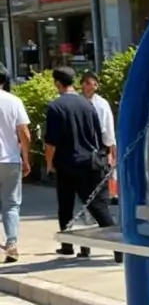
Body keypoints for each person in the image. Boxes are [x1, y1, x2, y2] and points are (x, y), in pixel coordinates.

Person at [43, 66, 121, 263]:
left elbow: (51, 142)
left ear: (58, 84)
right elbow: (98, 135)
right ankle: (118, 248)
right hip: (91, 163)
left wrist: (49, 163)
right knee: (98, 207)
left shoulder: (56, 107)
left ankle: (67, 245)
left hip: (67, 163)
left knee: (66, 206)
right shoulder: (88, 105)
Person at [0, 62, 31, 263]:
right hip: (10, 159)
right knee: (11, 203)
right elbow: (24, 133)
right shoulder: (14, 101)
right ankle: (11, 243)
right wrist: (26, 158)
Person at [81, 71, 117, 201]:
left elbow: (108, 127)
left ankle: (100, 199)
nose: (92, 87)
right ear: (83, 85)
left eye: (95, 84)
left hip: (99, 144)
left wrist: (111, 147)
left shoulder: (102, 103)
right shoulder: (77, 102)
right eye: (90, 83)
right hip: (81, 142)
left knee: (99, 174)